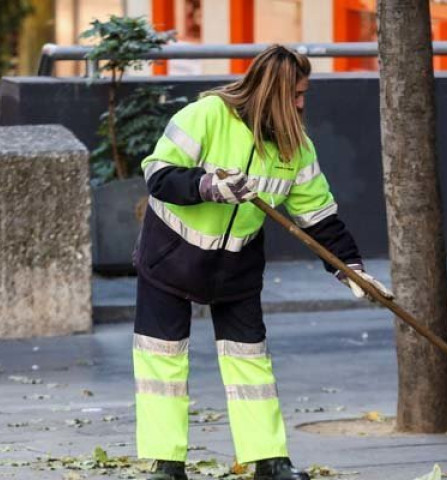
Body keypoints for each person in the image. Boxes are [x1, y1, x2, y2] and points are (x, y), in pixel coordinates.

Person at [133, 45, 393, 480]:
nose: (302, 103)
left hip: (235, 267)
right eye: (297, 94)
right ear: (274, 91)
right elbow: (158, 175)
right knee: (162, 360)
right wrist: (208, 185)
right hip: (170, 258)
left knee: (251, 362)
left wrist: (351, 269)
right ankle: (166, 463)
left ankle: (269, 460)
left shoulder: (296, 147)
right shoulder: (206, 116)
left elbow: (319, 217)